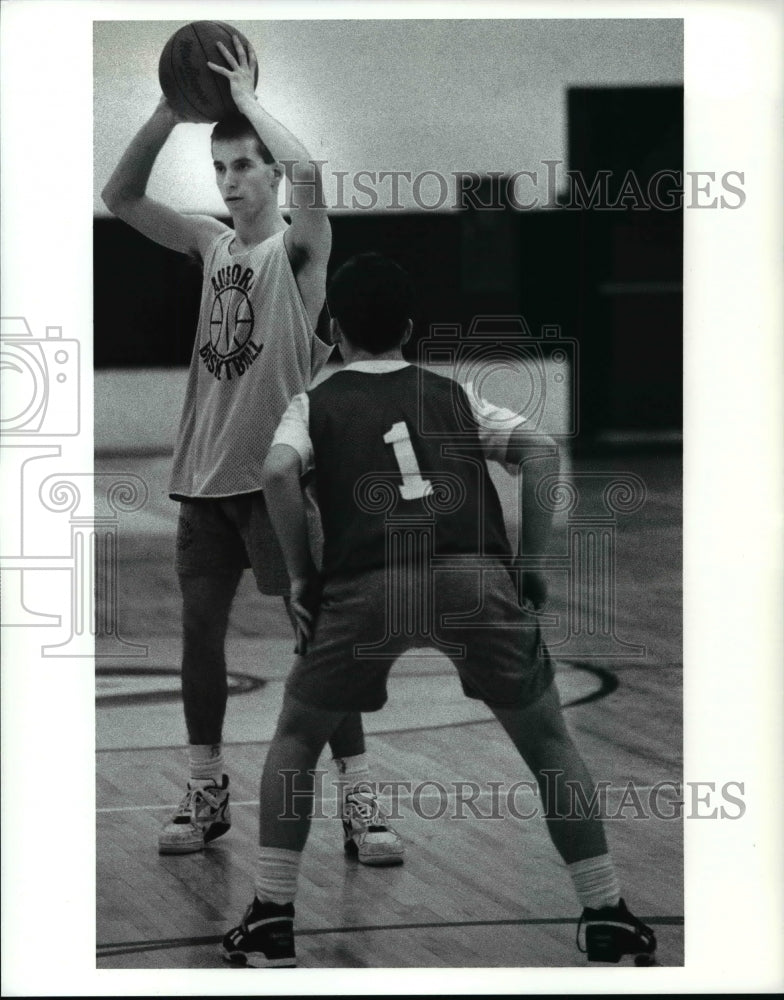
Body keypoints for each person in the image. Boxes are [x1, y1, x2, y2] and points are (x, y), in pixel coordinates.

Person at [220, 253, 657, 968]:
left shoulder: (314, 401)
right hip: (472, 578)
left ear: (333, 328)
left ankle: (271, 917)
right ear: (411, 331)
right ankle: (605, 910)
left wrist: (303, 576)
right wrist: (530, 566)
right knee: (549, 744)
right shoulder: (456, 395)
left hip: (367, 586)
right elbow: (543, 454)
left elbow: (275, 472)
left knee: (297, 740)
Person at [100, 36, 402, 865]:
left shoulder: (299, 253)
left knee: (320, 645)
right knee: (200, 642)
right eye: (222, 166)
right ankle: (204, 791)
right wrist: (169, 107)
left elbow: (311, 176)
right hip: (202, 481)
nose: (231, 179)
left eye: (244, 166)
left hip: (280, 483)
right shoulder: (209, 245)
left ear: (270, 175)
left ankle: (362, 804)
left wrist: (248, 99)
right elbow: (119, 195)